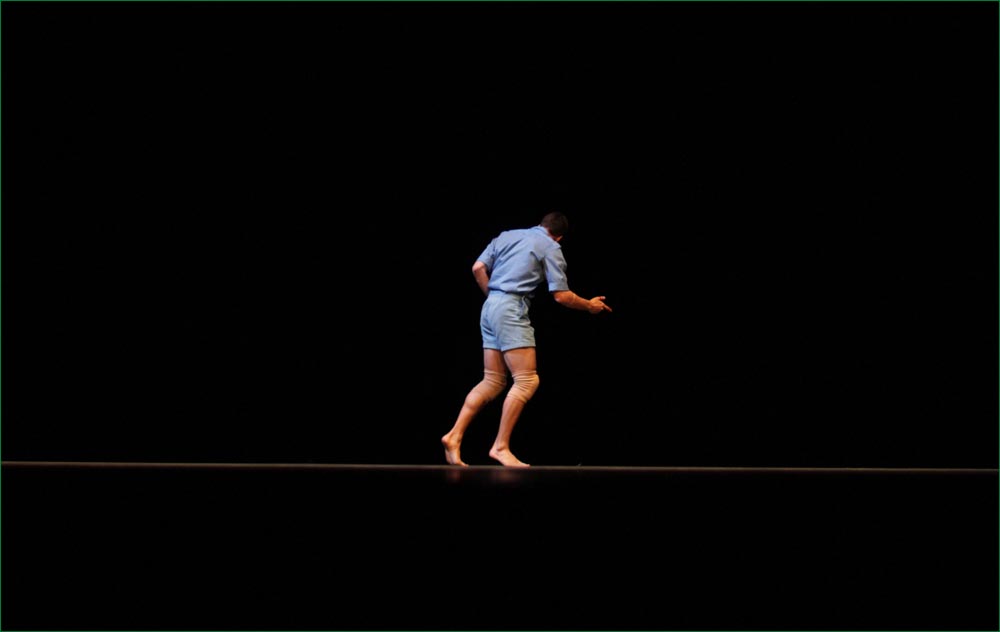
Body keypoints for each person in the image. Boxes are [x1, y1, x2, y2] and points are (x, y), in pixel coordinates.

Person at [441, 211, 612, 467]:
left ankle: (453, 436)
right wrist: (589, 305)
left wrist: (495, 298)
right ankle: (500, 447)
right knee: (527, 381)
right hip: (510, 309)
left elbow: (477, 268)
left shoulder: (506, 236)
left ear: (542, 224)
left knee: (493, 380)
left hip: (490, 306)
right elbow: (561, 296)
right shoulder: (550, 247)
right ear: (559, 237)